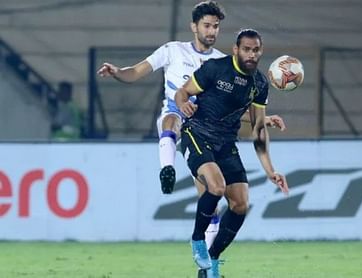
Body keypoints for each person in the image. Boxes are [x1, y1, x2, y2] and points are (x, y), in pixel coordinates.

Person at [96, 1, 285, 251]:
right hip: (179, 114)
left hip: (207, 126)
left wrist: (263, 119)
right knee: (171, 119)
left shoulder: (224, 62)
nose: (211, 31)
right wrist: (118, 71)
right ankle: (167, 169)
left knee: (212, 198)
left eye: (216, 26)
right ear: (194, 26)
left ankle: (206, 262)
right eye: (207, 25)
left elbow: (228, 110)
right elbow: (138, 71)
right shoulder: (173, 50)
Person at [176, 29, 289, 278]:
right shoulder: (215, 68)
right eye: (246, 49)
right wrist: (182, 101)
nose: (251, 54)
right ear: (236, 50)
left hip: (226, 143)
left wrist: (270, 170)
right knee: (216, 188)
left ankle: (213, 260)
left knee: (239, 204)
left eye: (256, 50)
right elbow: (183, 91)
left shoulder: (259, 84)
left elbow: (258, 128)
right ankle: (197, 241)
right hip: (197, 134)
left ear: (261, 51)